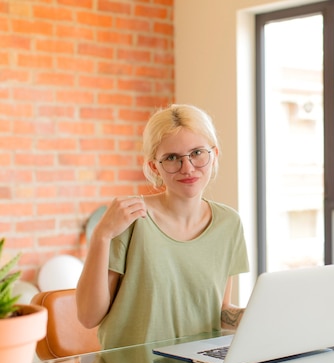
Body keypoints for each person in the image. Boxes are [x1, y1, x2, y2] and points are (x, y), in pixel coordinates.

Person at [76, 104, 249, 350]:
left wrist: (261, 318)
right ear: (155, 166)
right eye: (171, 158)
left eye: (197, 153)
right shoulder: (131, 218)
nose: (188, 168)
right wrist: (102, 236)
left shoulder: (229, 223)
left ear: (214, 155)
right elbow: (88, 316)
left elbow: (218, 310)